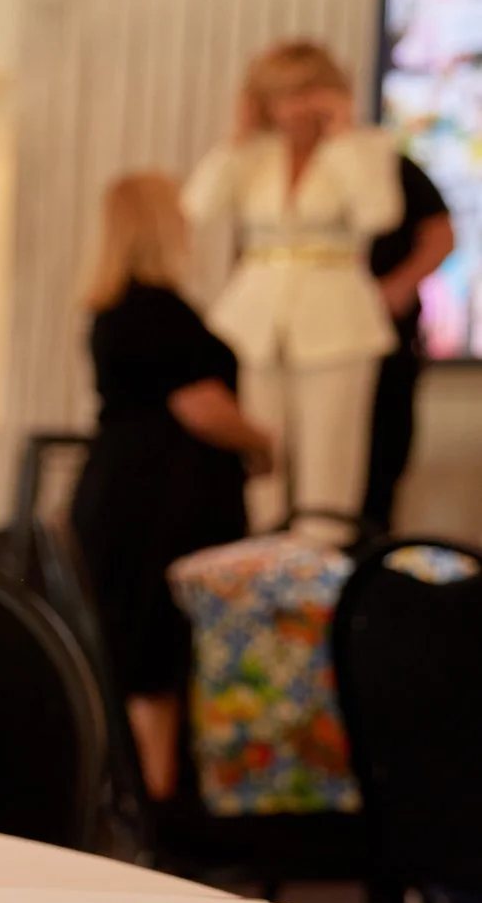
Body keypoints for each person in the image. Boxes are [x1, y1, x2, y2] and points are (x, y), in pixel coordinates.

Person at [71, 173, 274, 802]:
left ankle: (148, 801)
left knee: (138, 651)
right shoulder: (159, 310)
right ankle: (158, 805)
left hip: (126, 493)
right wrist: (264, 442)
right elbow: (201, 405)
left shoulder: (112, 309)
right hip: (162, 500)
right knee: (158, 652)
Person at [183, 40, 401, 546]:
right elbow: (196, 207)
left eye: (304, 94)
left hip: (337, 321)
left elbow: (379, 215)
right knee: (261, 456)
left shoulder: (364, 148)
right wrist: (234, 139)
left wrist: (342, 138)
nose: (292, 109)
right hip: (255, 319)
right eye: (280, 96)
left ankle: (321, 568)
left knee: (330, 453)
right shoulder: (253, 154)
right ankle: (260, 565)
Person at [359, 153, 457, 534]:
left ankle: (372, 555)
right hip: (307, 337)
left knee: (382, 455)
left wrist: (395, 290)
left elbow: (441, 233)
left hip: (386, 340)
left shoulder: (383, 162)